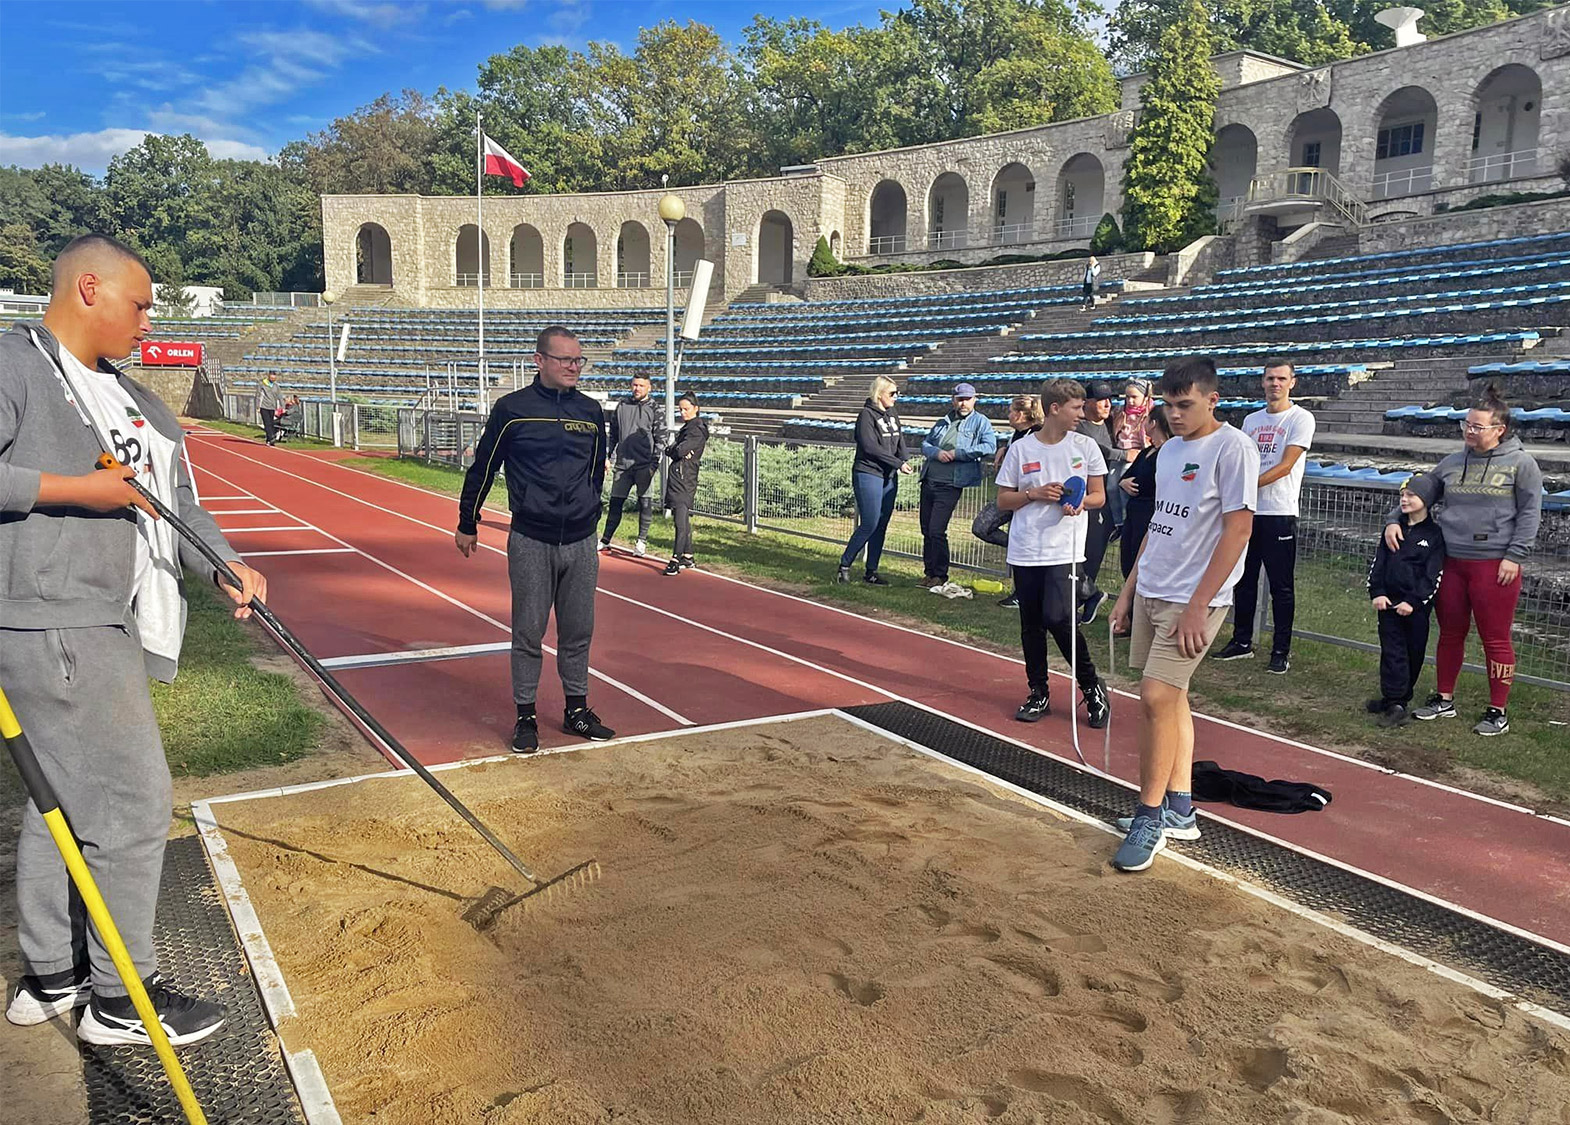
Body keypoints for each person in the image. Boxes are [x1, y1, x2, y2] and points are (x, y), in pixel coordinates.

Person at [1, 234, 267, 1045]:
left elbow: (177, 504)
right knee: (134, 800)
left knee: (65, 802)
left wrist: (224, 563)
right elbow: (91, 491)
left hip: (111, 617)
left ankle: (53, 976)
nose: (149, 321)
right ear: (89, 288)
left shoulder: (141, 402)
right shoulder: (13, 364)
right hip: (53, 617)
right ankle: (123, 998)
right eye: (141, 303)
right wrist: (76, 489)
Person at [1108, 357, 1258, 872]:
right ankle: (1179, 806)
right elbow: (1160, 524)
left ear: (1212, 401)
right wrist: (1128, 593)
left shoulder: (1233, 448)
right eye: (1168, 406)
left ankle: (1147, 814)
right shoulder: (1168, 451)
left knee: (1153, 698)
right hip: (1153, 586)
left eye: (1185, 405)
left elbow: (1238, 532)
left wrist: (1199, 604)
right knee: (1172, 700)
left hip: (1195, 598)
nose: (1174, 414)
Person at [456, 326, 614, 753]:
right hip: (531, 539)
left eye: (578, 360)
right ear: (539, 360)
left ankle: (576, 709)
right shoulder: (513, 409)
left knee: (579, 630)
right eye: (564, 359)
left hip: (581, 540)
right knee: (528, 631)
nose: (573, 367)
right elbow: (484, 468)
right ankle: (525, 715)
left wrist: (589, 509)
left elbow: (596, 470)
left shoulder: (591, 412)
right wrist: (467, 521)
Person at [1390, 383, 1542, 736]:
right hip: (1452, 562)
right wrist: (1391, 521)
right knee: (1450, 634)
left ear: (1499, 429)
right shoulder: (1452, 462)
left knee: (1496, 638)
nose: (1469, 432)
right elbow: (1418, 492)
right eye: (1466, 425)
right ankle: (1444, 698)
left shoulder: (1522, 464)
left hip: (1495, 564)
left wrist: (1515, 555)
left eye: (1477, 426)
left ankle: (1497, 710)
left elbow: (1531, 514)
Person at [996, 379, 1111, 728]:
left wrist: (1078, 504)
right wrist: (1034, 494)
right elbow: (1003, 499)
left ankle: (1091, 688)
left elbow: (1098, 496)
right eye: (1076, 408)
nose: (1082, 413)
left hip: (1066, 549)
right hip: (1027, 548)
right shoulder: (1021, 449)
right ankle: (1038, 691)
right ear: (1055, 409)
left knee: (1060, 618)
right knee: (1031, 625)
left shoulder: (1086, 446)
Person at [1213, 359, 1316, 674]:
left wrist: (1246, 484)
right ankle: (1242, 641)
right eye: (1270, 378)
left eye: (1281, 378)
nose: (1275, 384)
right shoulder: (1252, 420)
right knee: (1243, 578)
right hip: (1249, 510)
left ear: (1292, 382)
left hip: (1279, 511)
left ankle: (1280, 650)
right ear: (1262, 382)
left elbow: (1286, 465)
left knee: (1281, 586)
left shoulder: (1301, 418)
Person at [1367, 473, 1446, 728]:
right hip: (1389, 603)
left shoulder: (1434, 536)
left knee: (1412, 653)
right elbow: (1379, 563)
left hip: (1414, 608)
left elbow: (1432, 575)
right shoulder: (1393, 529)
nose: (1405, 499)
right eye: (1402, 494)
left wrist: (1414, 601)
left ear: (1426, 500)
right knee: (1392, 651)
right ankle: (1394, 700)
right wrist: (1377, 592)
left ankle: (1400, 695)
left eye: (1411, 495)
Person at [918, 383, 997, 594]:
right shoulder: (944, 420)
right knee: (926, 529)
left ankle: (940, 574)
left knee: (936, 530)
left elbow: (989, 446)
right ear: (953, 399)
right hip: (929, 479)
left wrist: (958, 453)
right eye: (960, 399)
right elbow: (925, 444)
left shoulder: (981, 422)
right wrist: (935, 452)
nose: (963, 403)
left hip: (951, 483)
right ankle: (929, 573)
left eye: (967, 399)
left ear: (975, 399)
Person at [972, 394, 1044, 608]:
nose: (1008, 415)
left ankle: (1021, 593)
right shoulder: (1016, 435)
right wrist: (1004, 449)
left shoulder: (1037, 434)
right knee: (982, 527)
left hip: (1028, 497)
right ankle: (1018, 550)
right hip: (1011, 495)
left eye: (1012, 411)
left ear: (1021, 414)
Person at [838, 375, 911, 586]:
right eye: (892, 393)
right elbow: (870, 447)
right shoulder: (866, 416)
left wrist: (903, 458)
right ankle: (844, 565)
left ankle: (871, 571)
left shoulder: (892, 413)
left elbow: (900, 440)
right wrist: (898, 463)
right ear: (879, 394)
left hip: (888, 476)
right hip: (868, 473)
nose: (896, 397)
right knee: (869, 522)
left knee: (881, 524)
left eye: (897, 393)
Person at [1074, 380, 1127, 624]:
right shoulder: (1081, 427)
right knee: (1080, 553)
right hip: (1086, 495)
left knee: (1094, 553)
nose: (1107, 404)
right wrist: (1127, 455)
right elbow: (1101, 450)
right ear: (1087, 403)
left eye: (1109, 400)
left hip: (1107, 499)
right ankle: (1086, 596)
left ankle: (1086, 599)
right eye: (1101, 400)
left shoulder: (1111, 424)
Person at [599, 373, 665, 557]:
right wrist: (608, 457)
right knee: (615, 504)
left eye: (641, 386)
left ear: (649, 387)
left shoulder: (655, 409)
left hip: (644, 466)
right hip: (622, 465)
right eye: (635, 385)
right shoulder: (622, 405)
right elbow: (613, 434)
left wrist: (653, 465)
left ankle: (641, 541)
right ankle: (605, 540)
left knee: (645, 504)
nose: (637, 388)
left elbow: (662, 438)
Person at [1118, 403, 1172, 579]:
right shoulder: (1146, 452)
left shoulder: (1168, 452)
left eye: (1147, 419)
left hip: (1150, 513)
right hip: (1133, 512)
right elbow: (1127, 475)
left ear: (1154, 423)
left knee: (1140, 563)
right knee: (1127, 561)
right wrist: (1124, 482)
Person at [662, 392, 709, 576]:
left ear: (696, 409)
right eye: (680, 409)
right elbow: (674, 450)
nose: (682, 412)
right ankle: (687, 556)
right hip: (679, 476)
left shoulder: (695, 429)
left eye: (686, 409)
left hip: (685, 479)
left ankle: (676, 557)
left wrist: (675, 450)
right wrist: (674, 450)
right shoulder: (688, 428)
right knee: (679, 517)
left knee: (680, 520)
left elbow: (680, 450)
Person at [1109, 378, 1152, 530]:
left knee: (1124, 485)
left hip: (1136, 453)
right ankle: (1118, 522)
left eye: (1134, 397)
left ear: (1145, 398)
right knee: (1111, 486)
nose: (1130, 401)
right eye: (1127, 397)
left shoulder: (1149, 414)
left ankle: (1127, 519)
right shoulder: (1120, 413)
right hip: (1121, 451)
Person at [257, 371, 285, 445]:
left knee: (271, 423)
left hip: (272, 407)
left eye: (274, 378)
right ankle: (271, 437)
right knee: (267, 423)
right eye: (271, 378)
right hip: (264, 406)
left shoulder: (276, 386)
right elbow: (259, 396)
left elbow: (280, 397)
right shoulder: (262, 384)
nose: (273, 379)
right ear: (269, 377)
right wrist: (258, 406)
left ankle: (269, 440)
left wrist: (283, 407)